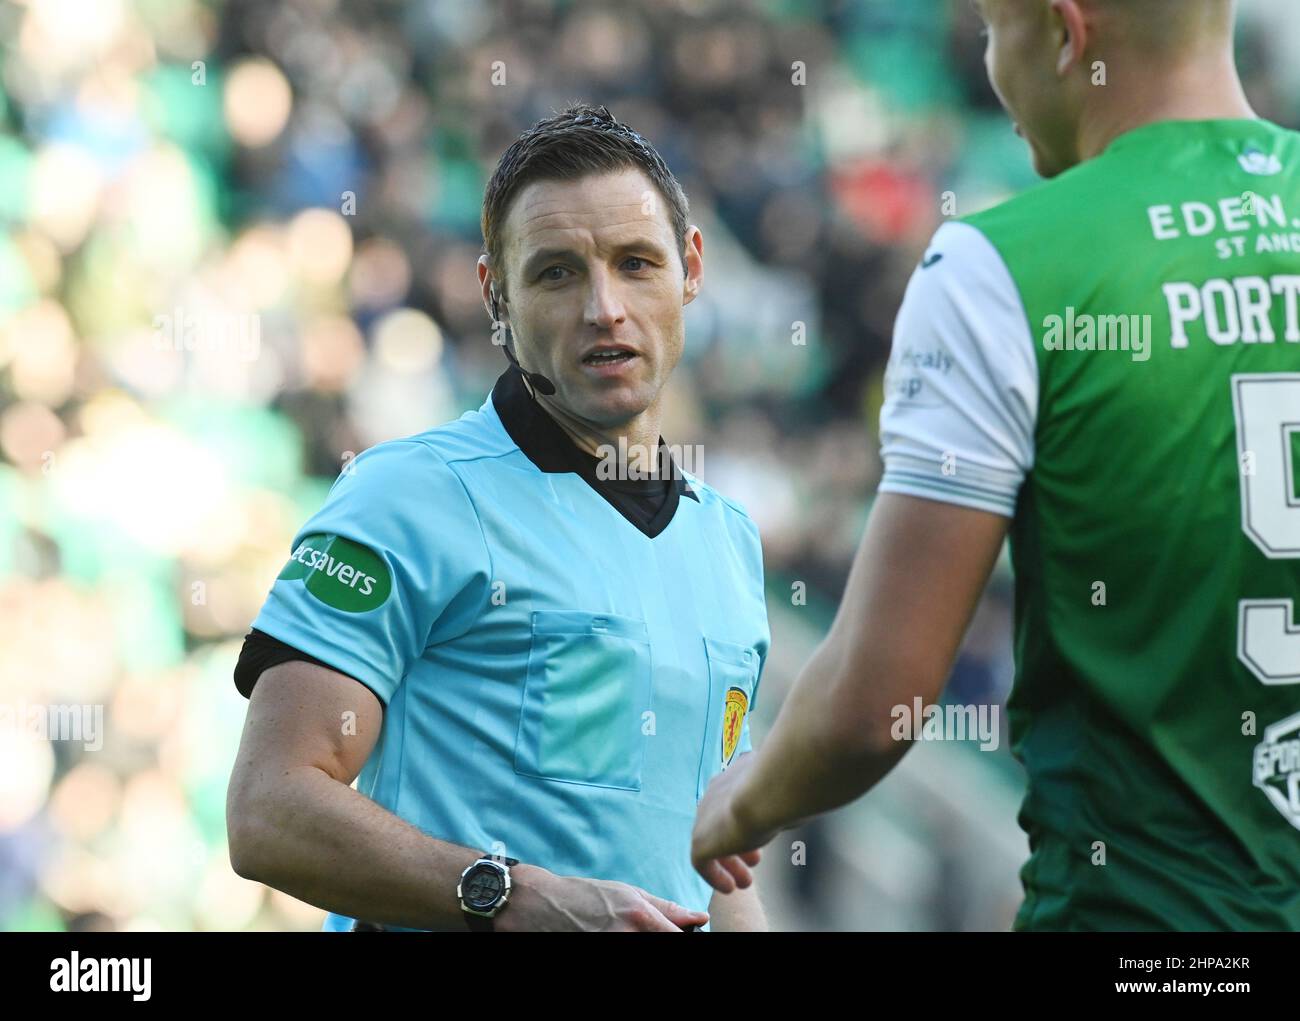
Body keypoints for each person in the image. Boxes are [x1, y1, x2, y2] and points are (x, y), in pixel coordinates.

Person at [691, 0, 1300, 930]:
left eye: (989, 29)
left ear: (1066, 32)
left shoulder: (998, 267)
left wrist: (735, 809)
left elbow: (874, 702)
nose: (987, 68)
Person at [227, 104, 768, 931]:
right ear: (495, 292)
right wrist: (508, 896)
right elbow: (269, 807)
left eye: (635, 263)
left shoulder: (730, 542)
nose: (604, 308)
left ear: (690, 268)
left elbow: (719, 867)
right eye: (556, 272)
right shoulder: (405, 496)